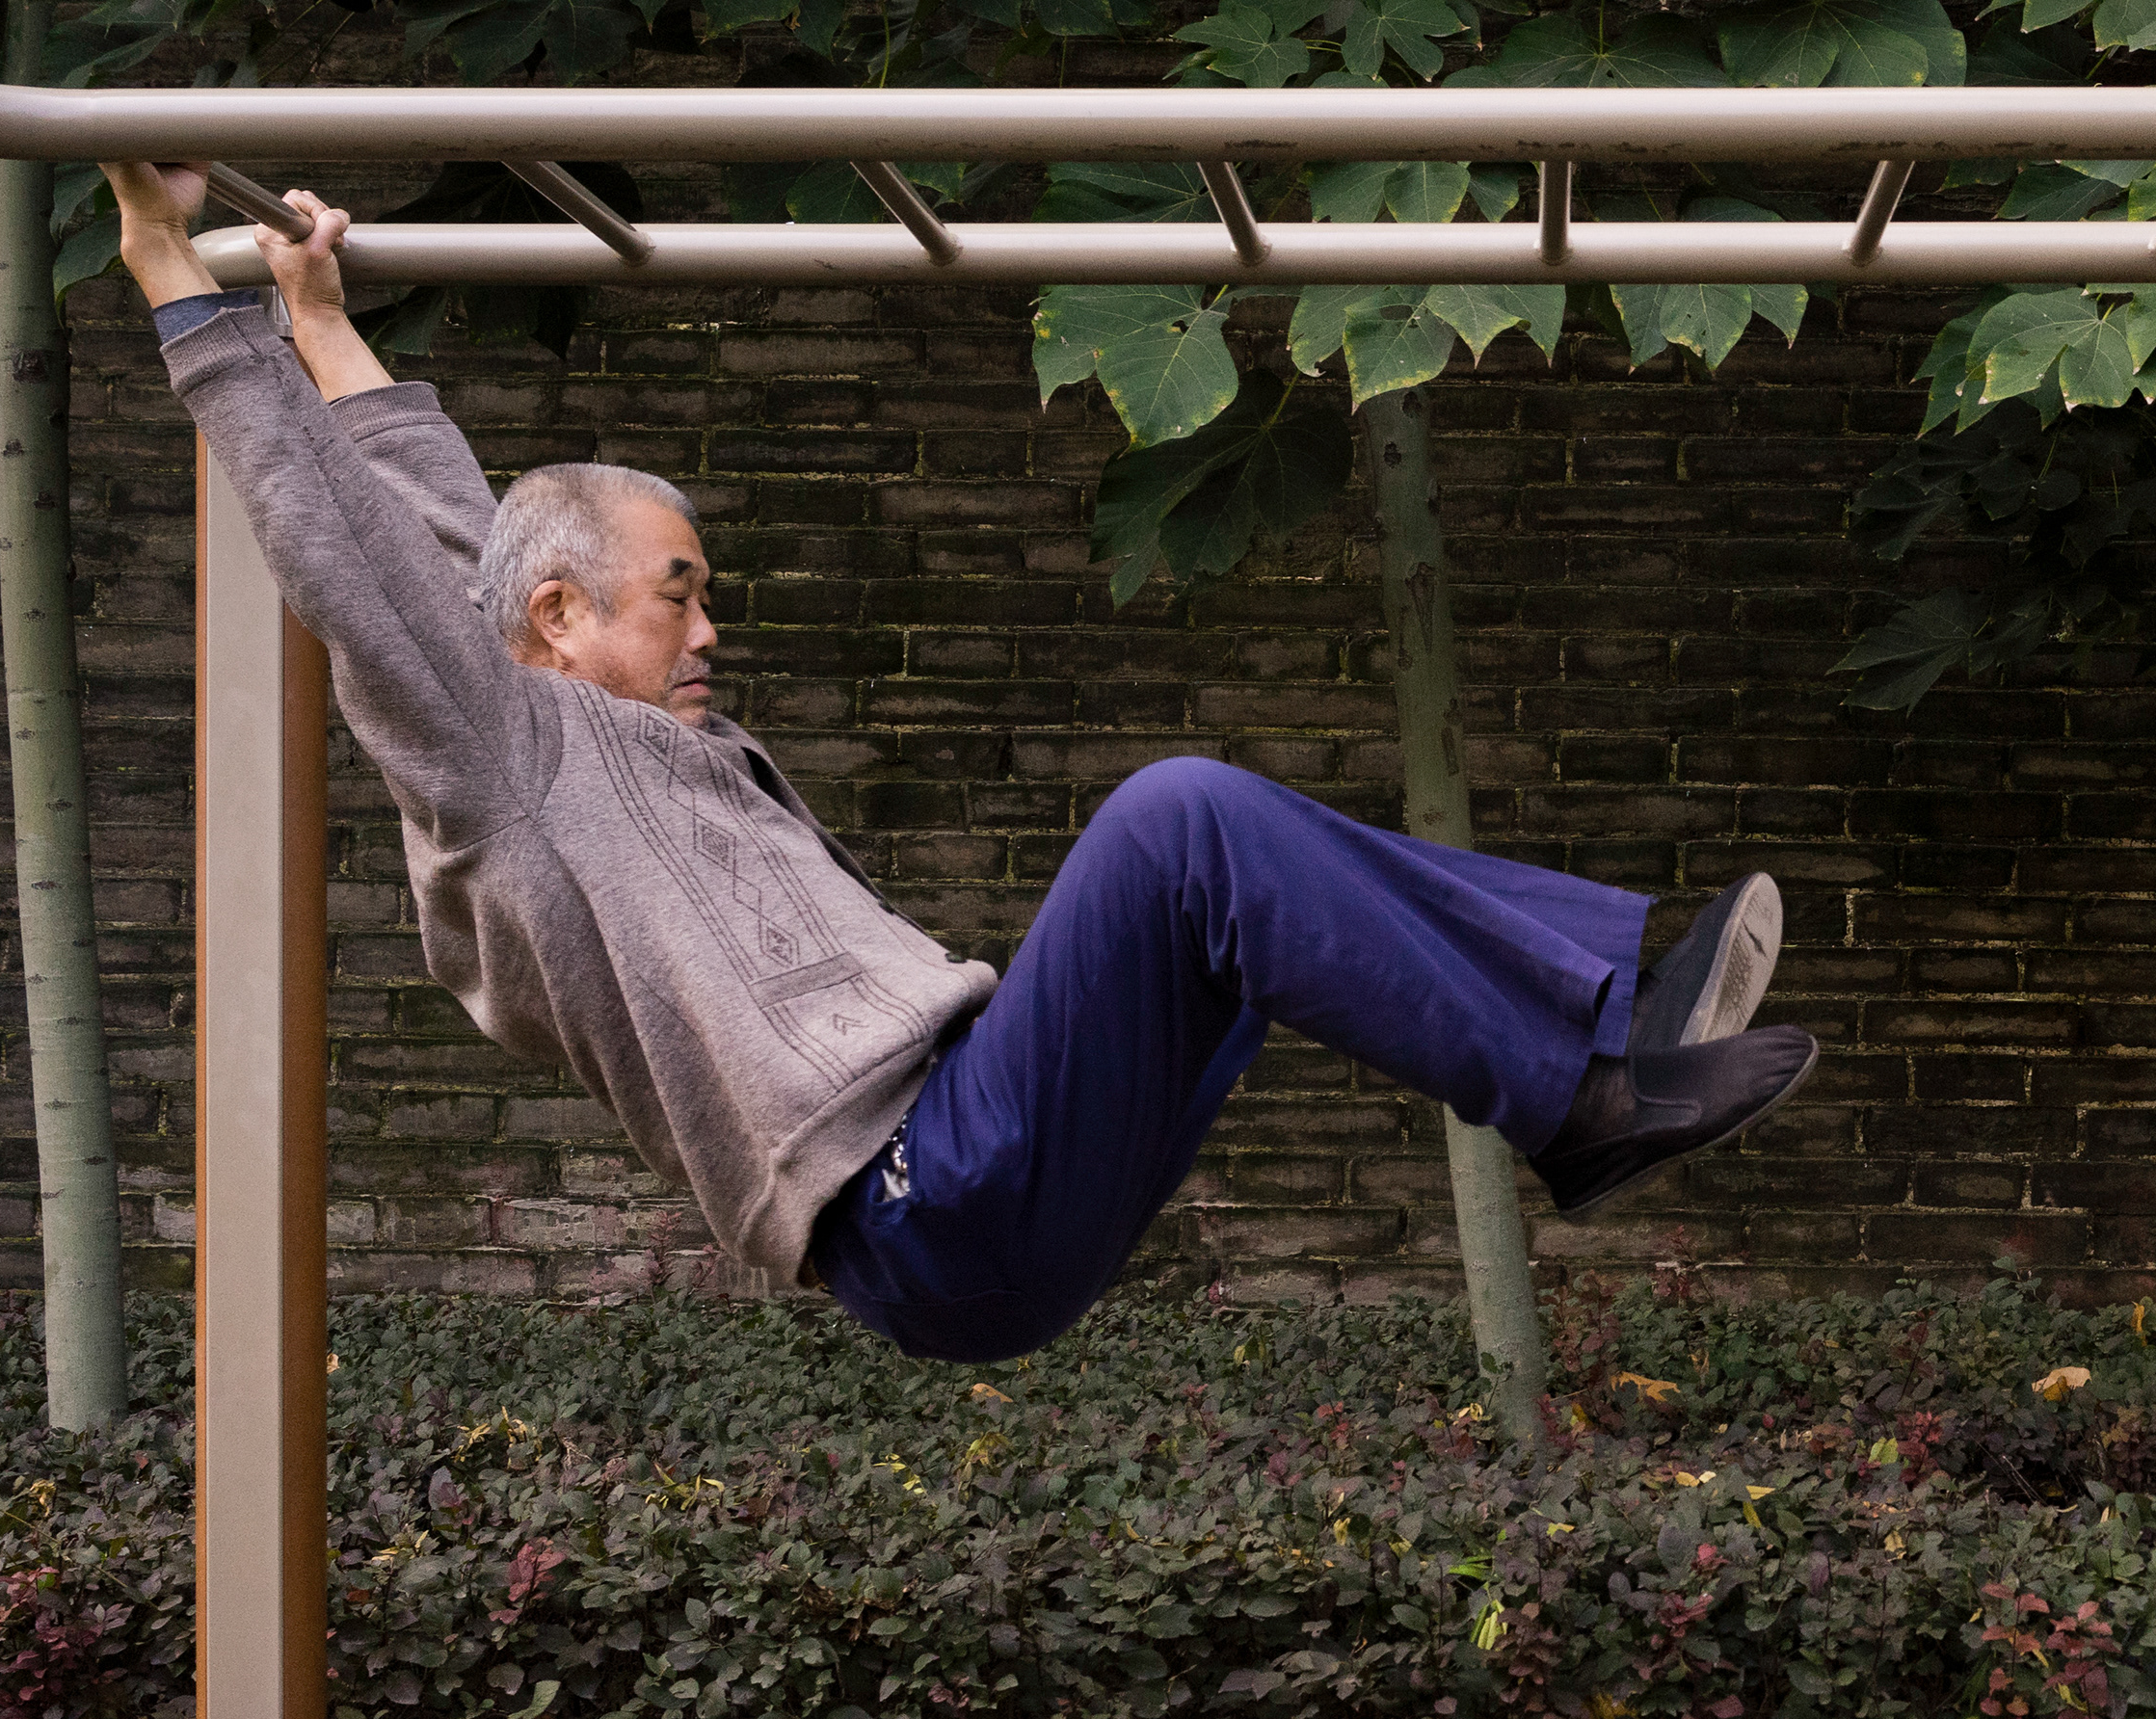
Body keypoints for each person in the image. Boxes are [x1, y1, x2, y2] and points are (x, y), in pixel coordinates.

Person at [103, 163, 1811, 1364]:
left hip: (979, 1187)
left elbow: (452, 535)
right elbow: (356, 564)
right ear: (562, 620)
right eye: (680, 594)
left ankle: (1601, 1038)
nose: (713, 635)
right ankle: (1582, 1093)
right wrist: (171, 268)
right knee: (1178, 822)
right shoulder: (514, 772)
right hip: (923, 1194)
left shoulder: (555, 702)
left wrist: (322, 324)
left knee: (1222, 887)